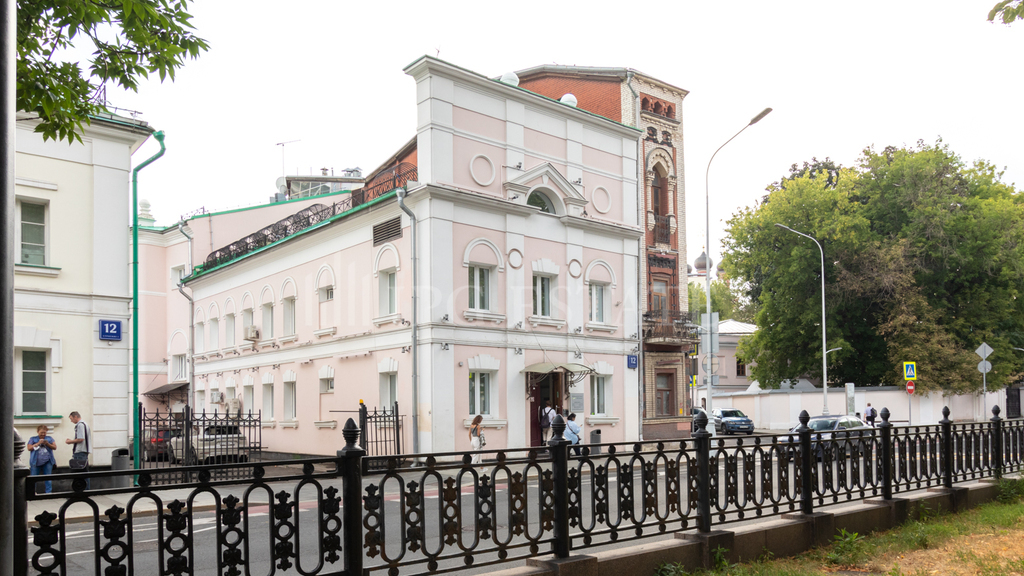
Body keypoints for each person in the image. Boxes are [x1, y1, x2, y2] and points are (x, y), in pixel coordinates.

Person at [28, 425, 56, 494]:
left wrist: (47, 444)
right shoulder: (33, 439)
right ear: (38, 432)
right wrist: (38, 443)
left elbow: (54, 447)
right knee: (34, 477)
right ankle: (32, 492)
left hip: (48, 461)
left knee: (48, 477)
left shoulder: (49, 438)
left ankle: (48, 493)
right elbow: (29, 448)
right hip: (35, 461)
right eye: (41, 432)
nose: (43, 434)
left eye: (44, 432)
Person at [66, 411, 91, 488]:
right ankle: (86, 489)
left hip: (80, 451)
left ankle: (83, 489)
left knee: (80, 472)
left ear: (75, 417)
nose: (71, 421)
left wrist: (70, 441)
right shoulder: (85, 424)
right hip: (84, 451)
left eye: (71, 419)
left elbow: (80, 439)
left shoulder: (80, 425)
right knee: (84, 471)